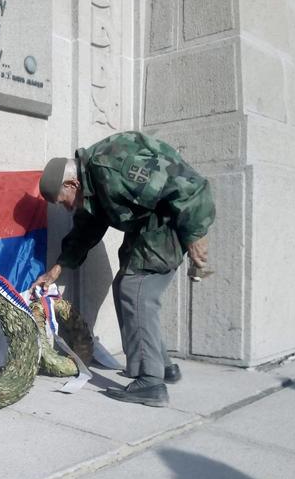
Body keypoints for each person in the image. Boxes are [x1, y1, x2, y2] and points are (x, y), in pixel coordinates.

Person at [32, 131, 215, 407]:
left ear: (72, 184)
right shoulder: (91, 186)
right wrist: (58, 268)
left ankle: (150, 382)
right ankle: (161, 365)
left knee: (135, 289)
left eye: (62, 200)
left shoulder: (112, 166)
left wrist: (196, 231)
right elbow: (86, 229)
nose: (66, 208)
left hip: (166, 224)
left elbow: (188, 185)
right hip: (146, 230)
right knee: (126, 288)